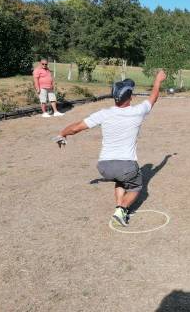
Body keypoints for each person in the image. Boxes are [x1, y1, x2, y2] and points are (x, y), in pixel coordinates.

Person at [54, 70, 167, 227]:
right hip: (126, 165)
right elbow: (153, 97)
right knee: (136, 186)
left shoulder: (104, 114)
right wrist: (158, 80)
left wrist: (62, 134)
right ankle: (121, 209)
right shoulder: (137, 112)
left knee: (120, 180)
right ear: (130, 97)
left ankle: (120, 209)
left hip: (104, 166)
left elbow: (76, 128)